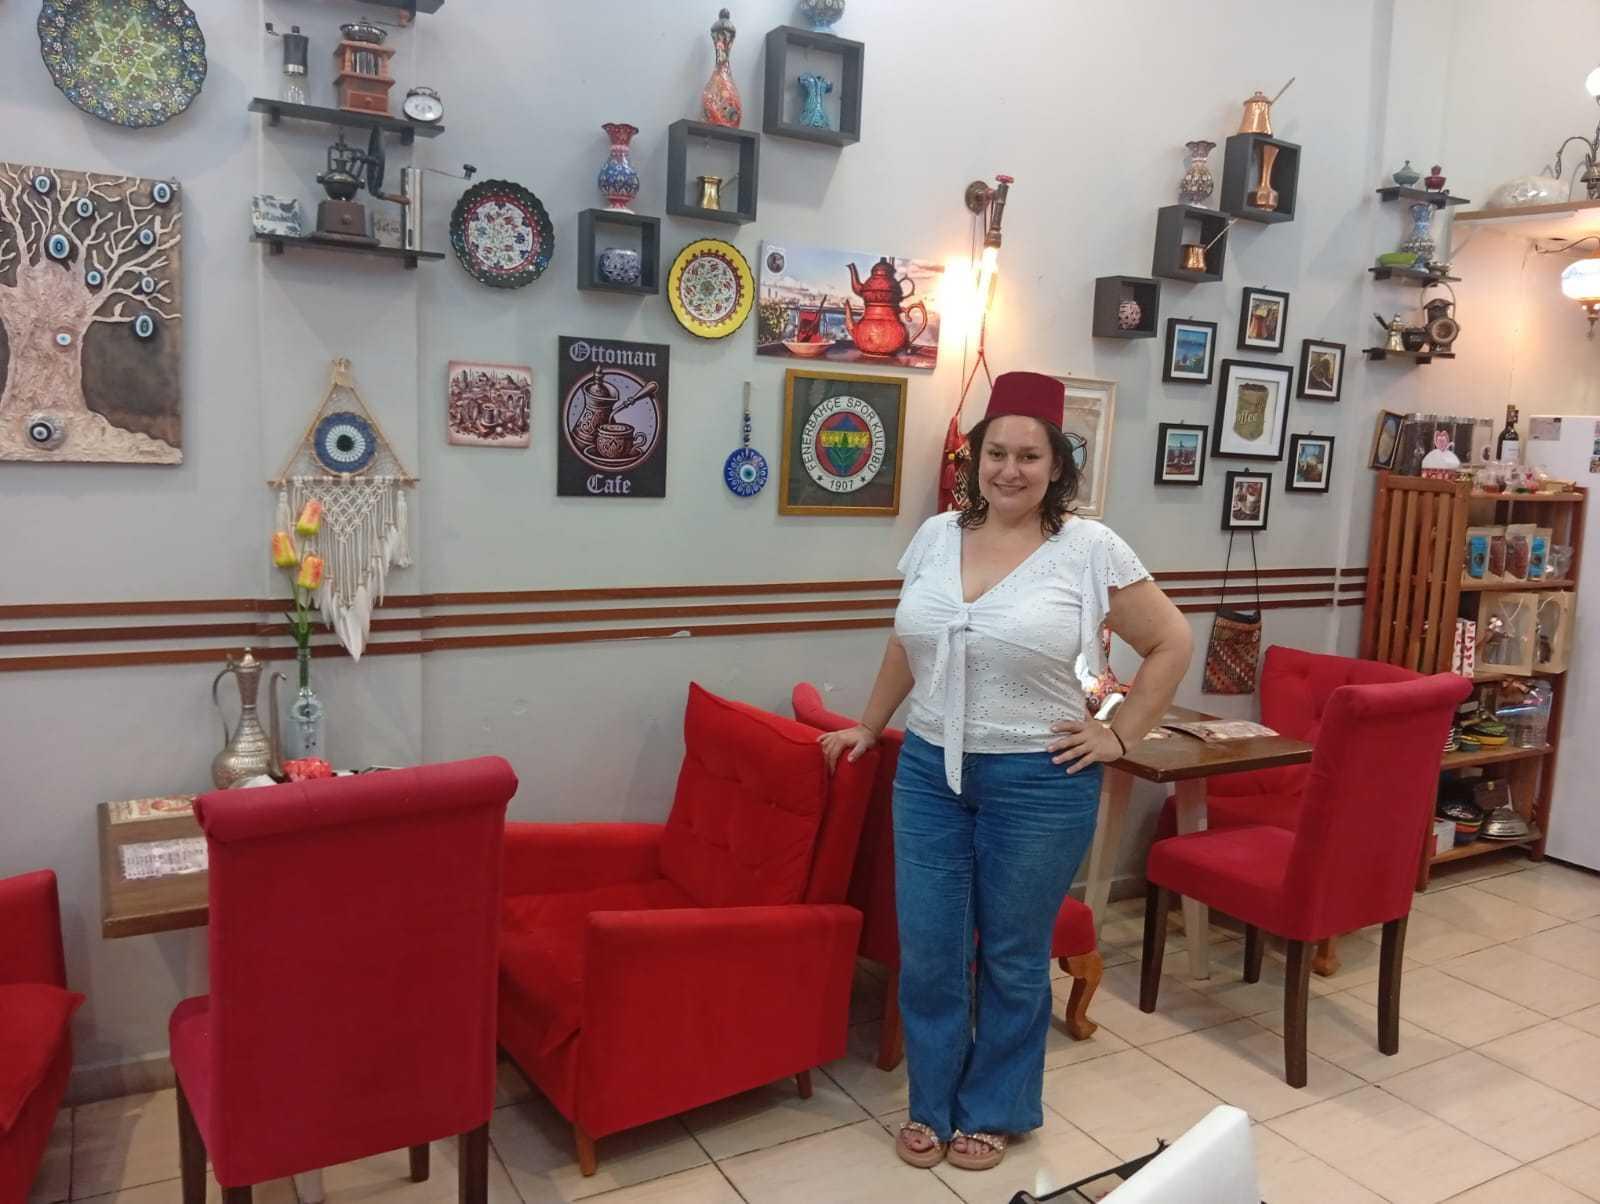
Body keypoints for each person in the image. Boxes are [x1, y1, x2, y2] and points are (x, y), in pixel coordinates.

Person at [818, 371, 1192, 1173]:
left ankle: (994, 1109)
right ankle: (932, 1104)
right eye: (996, 452)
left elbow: (1171, 642)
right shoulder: (936, 536)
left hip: (1040, 780)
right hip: (930, 772)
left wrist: (1119, 735)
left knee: (1014, 956)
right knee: (930, 949)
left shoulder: (1089, 548)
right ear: (974, 458)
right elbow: (907, 642)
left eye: (1029, 455)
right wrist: (870, 724)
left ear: (1057, 465)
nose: (1010, 469)